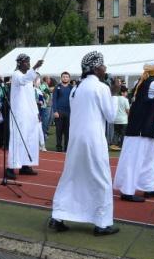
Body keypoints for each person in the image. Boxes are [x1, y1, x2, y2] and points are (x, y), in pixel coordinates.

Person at [51, 52, 120, 236]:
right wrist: (114, 93)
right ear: (97, 69)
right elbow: (111, 116)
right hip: (93, 140)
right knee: (102, 178)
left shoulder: (76, 88)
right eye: (103, 66)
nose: (105, 68)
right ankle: (102, 223)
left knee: (71, 176)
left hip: (75, 139)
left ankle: (58, 215)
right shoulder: (101, 88)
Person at [114, 56, 154, 202]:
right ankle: (127, 192)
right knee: (134, 160)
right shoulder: (151, 84)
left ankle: (148, 187)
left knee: (151, 158)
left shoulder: (146, 83)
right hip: (140, 130)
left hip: (146, 129)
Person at [6, 54, 44, 178]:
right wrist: (34, 68)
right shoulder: (17, 75)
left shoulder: (28, 78)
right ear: (20, 63)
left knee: (29, 138)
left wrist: (36, 112)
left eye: (29, 62)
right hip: (19, 114)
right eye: (26, 62)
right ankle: (11, 167)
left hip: (30, 113)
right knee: (17, 139)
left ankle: (25, 165)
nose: (28, 64)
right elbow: (23, 81)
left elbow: (31, 98)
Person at [52, 72, 73, 152]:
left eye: (67, 77)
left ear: (69, 78)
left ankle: (67, 147)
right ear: (61, 78)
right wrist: (55, 111)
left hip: (69, 113)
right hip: (59, 112)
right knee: (59, 131)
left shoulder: (72, 88)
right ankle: (59, 147)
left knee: (67, 132)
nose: (65, 78)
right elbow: (54, 100)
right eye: (63, 77)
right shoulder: (57, 87)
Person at [111, 85, 130, 150]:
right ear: (122, 93)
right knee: (123, 134)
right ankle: (122, 146)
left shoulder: (115, 98)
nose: (126, 93)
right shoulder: (125, 100)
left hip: (116, 119)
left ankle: (114, 145)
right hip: (123, 120)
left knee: (116, 133)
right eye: (125, 92)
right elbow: (127, 110)